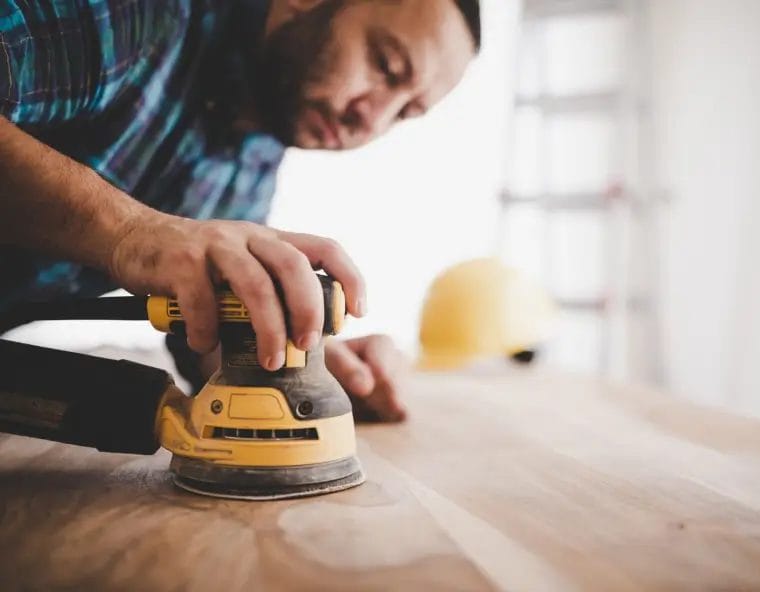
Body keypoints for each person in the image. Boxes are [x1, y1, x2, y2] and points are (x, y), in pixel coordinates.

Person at [0, 0, 481, 421]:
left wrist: (293, 359)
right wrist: (130, 232)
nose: (372, 118)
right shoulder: (137, 16)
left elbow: (203, 333)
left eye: (404, 112)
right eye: (385, 64)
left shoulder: (257, 155)